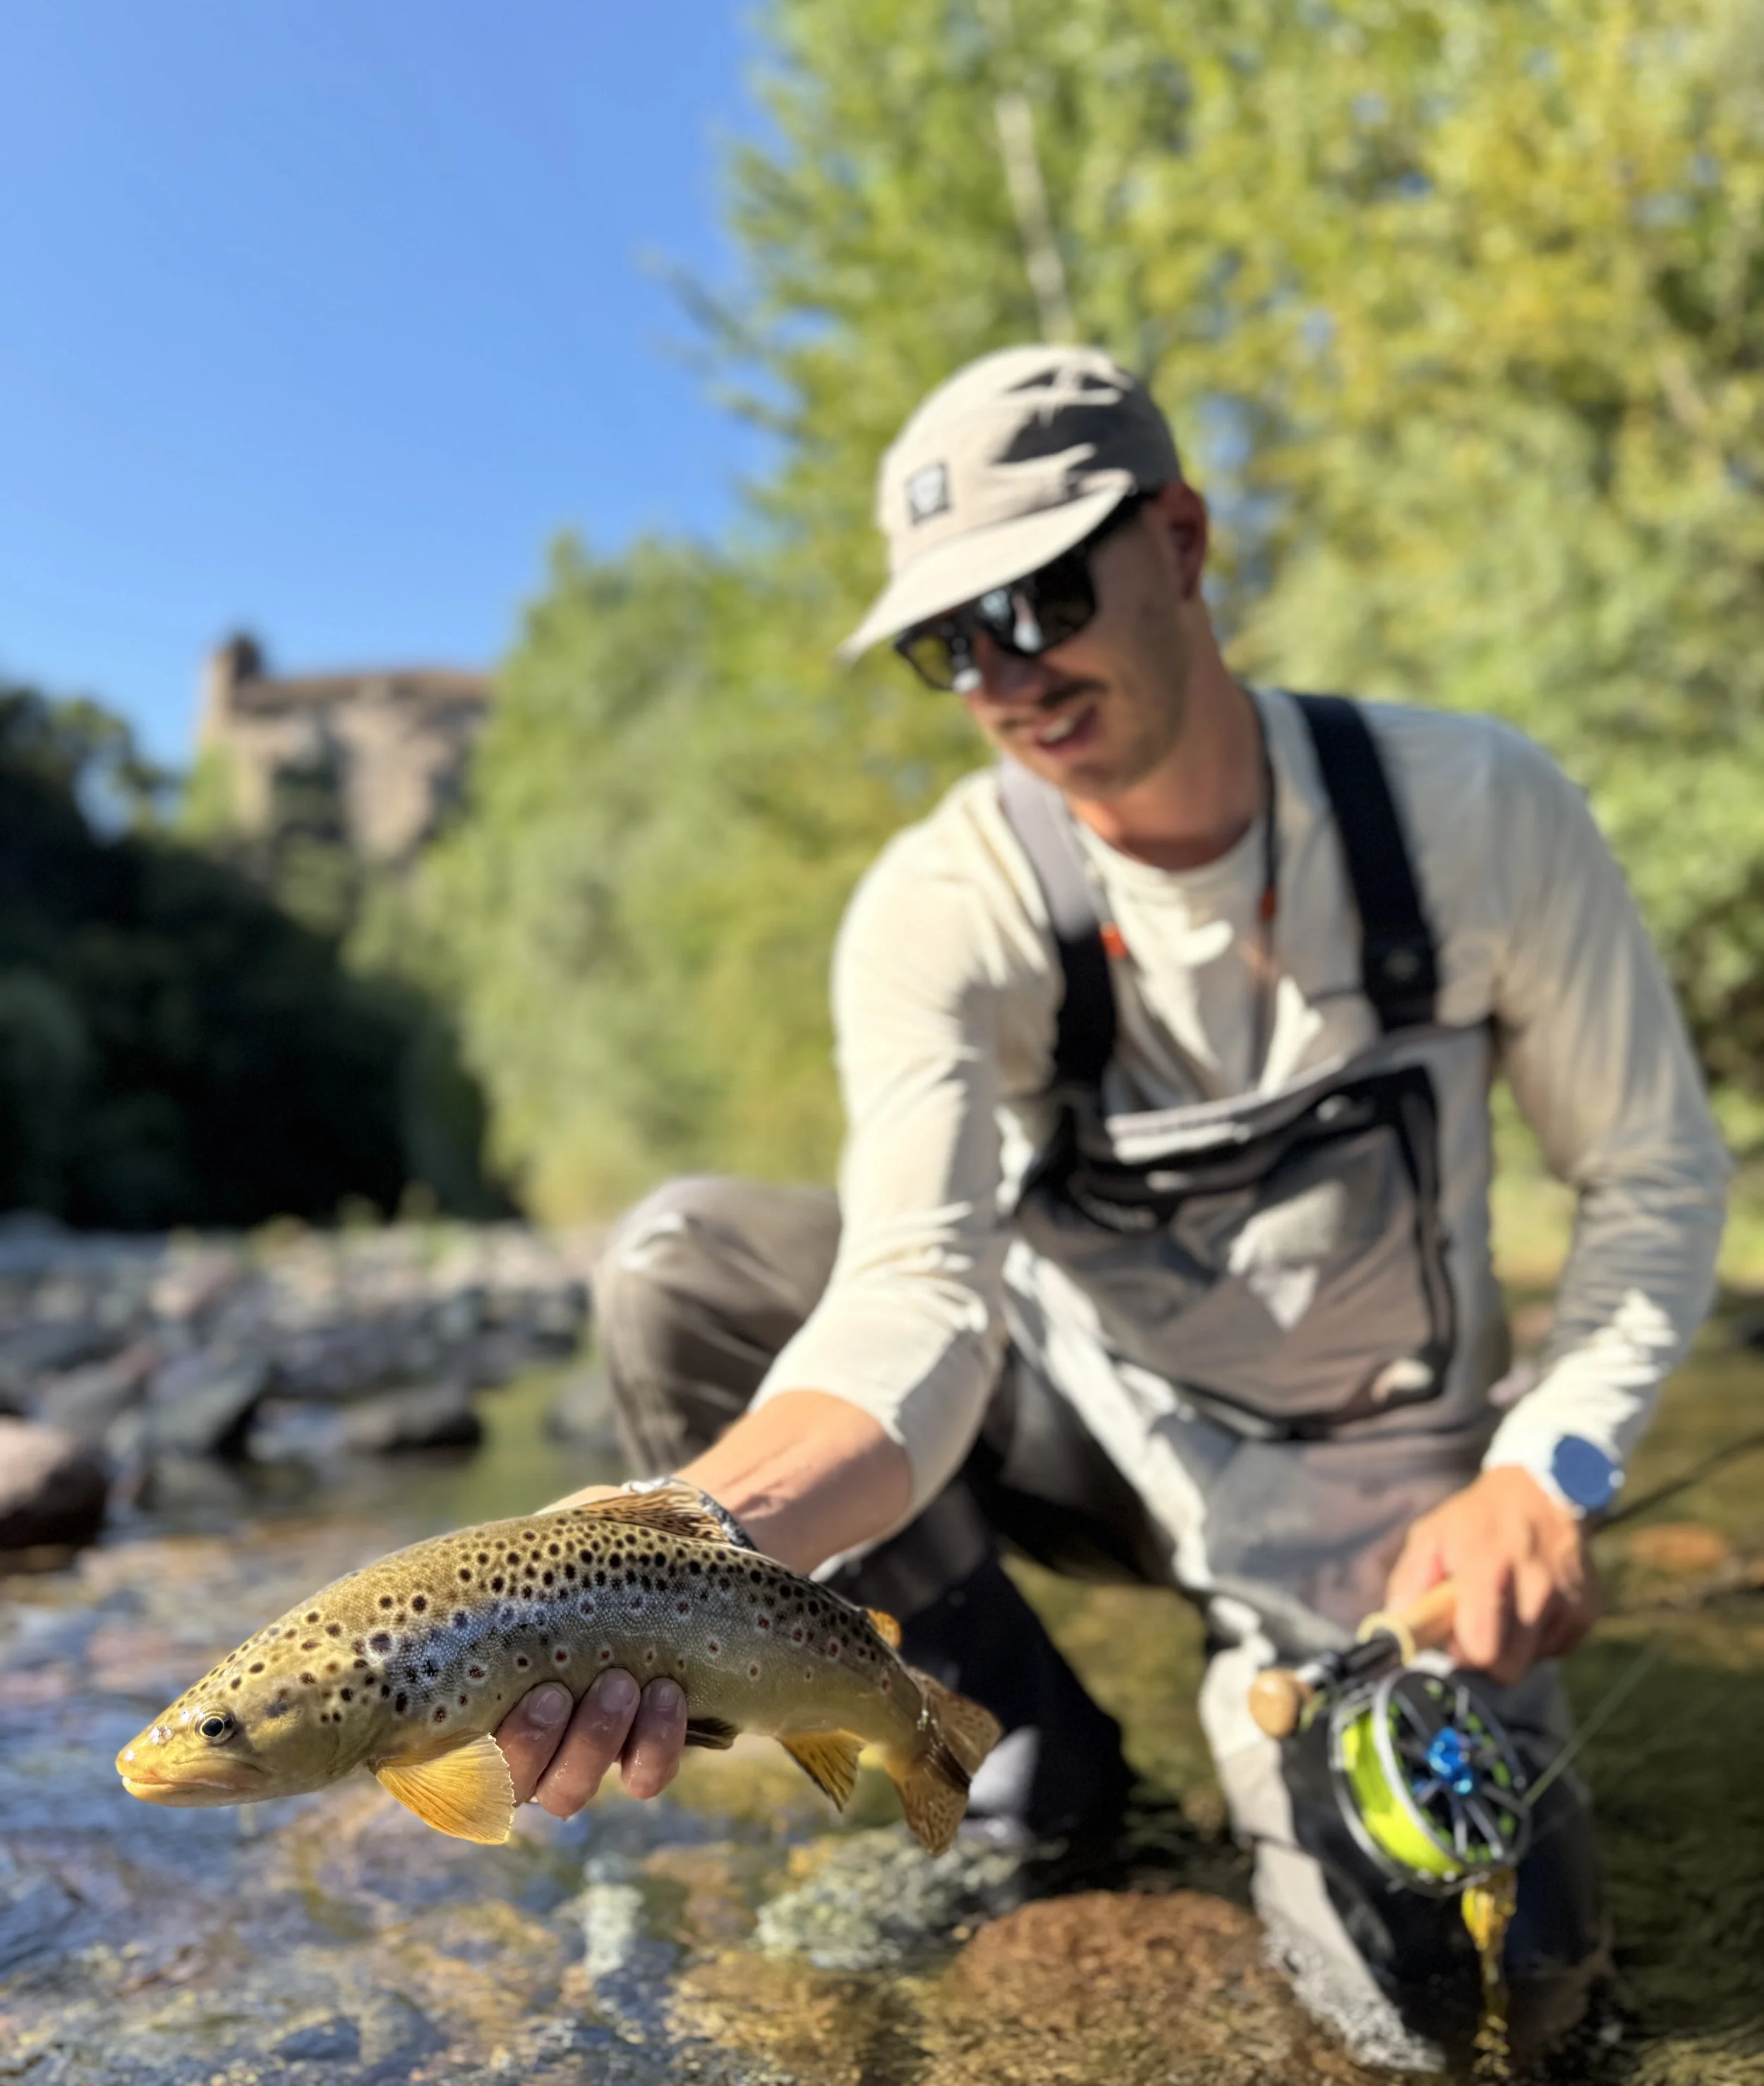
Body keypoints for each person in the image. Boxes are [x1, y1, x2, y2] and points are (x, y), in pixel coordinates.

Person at [490, 346, 1727, 2066]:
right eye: (949, 642)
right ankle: (1009, 1753)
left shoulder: (1477, 816)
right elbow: (913, 1298)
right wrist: (677, 1541)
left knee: (1480, 2010)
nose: (1007, 673)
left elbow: (1655, 1180)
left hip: (1385, 1529)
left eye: (1042, 595)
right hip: (1089, 1436)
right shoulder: (944, 906)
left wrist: (1548, 1472)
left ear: (1182, 539)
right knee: (684, 1267)